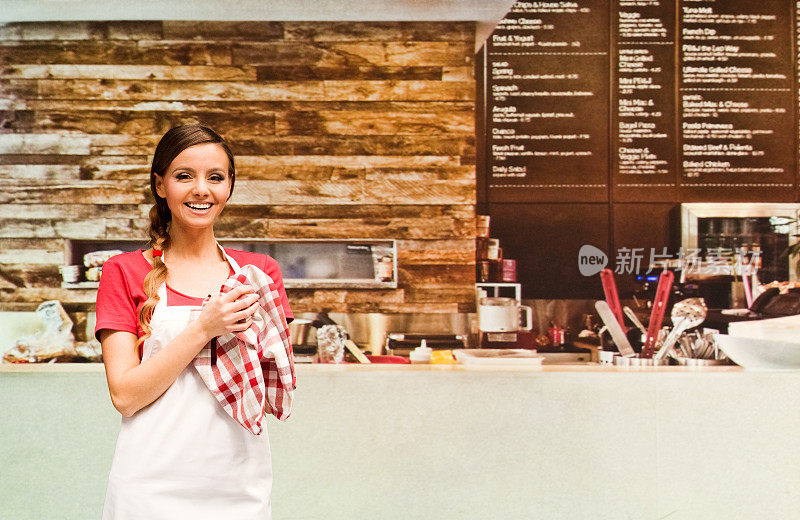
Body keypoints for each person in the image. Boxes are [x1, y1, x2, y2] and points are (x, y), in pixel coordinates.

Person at [94, 124, 293, 519]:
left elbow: (274, 381)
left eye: (215, 177)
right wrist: (204, 328)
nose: (201, 189)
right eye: (184, 176)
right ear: (161, 185)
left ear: (229, 187)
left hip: (238, 483)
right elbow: (126, 396)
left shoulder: (258, 274)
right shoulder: (124, 272)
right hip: (149, 486)